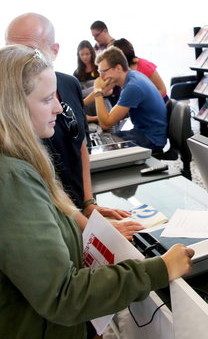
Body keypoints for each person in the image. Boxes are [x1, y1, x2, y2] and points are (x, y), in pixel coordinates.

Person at [0, 44, 195, 339]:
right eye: (46, 99)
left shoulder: (19, 164)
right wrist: (159, 269)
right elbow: (63, 295)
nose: (57, 108)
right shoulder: (12, 179)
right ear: (13, 106)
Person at [5, 13, 142, 239]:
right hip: (50, 218)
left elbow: (80, 144)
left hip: (78, 206)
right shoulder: (11, 102)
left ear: (54, 50)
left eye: (29, 50)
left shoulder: (69, 84)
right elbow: (40, 176)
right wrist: (86, 224)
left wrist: (88, 203)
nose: (19, 58)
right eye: (12, 49)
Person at [93, 46, 168, 154]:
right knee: (106, 139)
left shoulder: (133, 87)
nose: (101, 77)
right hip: (145, 133)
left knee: (106, 150)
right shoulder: (133, 76)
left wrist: (97, 91)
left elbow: (106, 124)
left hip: (151, 140)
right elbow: (115, 115)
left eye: (103, 71)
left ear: (118, 68)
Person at [113, 38, 169, 102]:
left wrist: (142, 100)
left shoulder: (145, 65)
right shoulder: (120, 69)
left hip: (159, 102)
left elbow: (163, 90)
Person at [74, 40, 99, 121]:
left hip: (100, 102)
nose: (85, 57)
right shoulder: (77, 73)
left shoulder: (99, 68)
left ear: (92, 53)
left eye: (87, 54)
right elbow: (77, 93)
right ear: (78, 55)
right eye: (82, 54)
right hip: (85, 106)